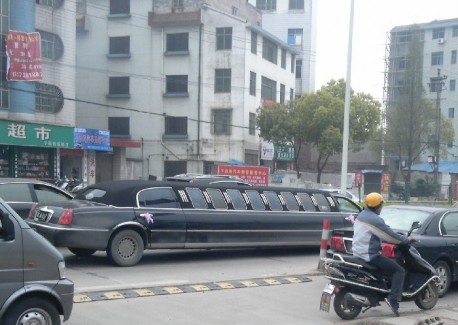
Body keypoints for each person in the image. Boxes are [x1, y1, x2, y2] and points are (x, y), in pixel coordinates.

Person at [352, 192, 412, 317]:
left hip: (357, 252)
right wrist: (406, 239)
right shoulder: (374, 219)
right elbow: (390, 236)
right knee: (399, 271)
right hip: (369, 255)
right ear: (378, 206)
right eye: (381, 205)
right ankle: (393, 299)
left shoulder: (362, 215)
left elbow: (380, 233)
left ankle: (375, 295)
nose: (382, 207)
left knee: (381, 273)